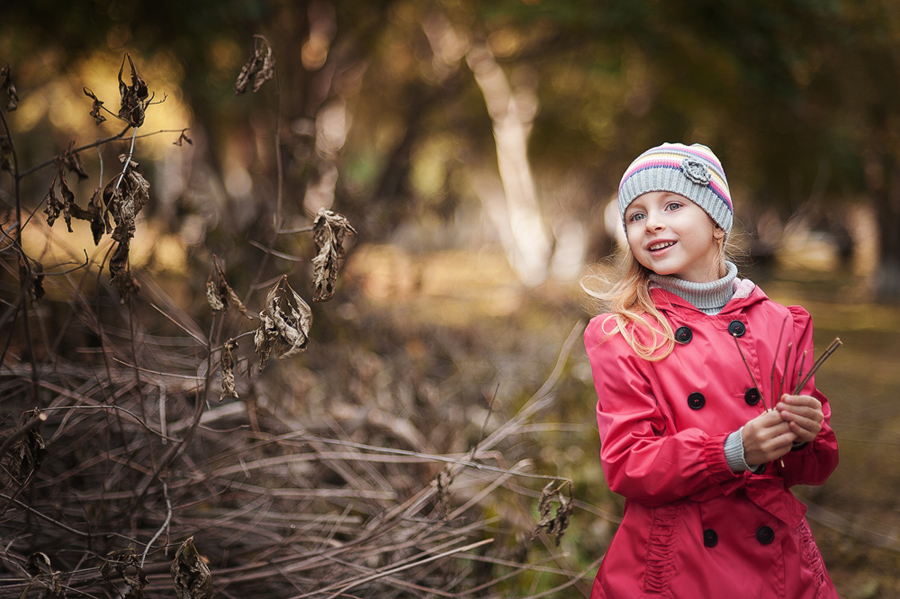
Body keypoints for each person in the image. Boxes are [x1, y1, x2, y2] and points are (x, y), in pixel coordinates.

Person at [581, 142, 839, 598]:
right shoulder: (624, 334)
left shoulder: (782, 324)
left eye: (672, 204)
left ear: (718, 221)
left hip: (776, 560)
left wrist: (806, 433)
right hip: (679, 566)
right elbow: (628, 463)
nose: (652, 222)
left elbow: (811, 468)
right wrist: (732, 451)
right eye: (635, 215)